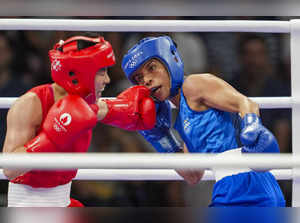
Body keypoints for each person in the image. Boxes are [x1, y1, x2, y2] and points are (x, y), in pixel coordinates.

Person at [121, 35, 286, 206]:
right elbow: (192, 175)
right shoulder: (184, 121)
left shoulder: (193, 85)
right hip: (231, 186)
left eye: (152, 67)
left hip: (247, 185)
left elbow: (246, 103)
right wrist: (161, 138)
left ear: (170, 60)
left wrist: (252, 130)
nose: (146, 80)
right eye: (139, 78)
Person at [2, 35, 156, 207]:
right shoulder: (30, 104)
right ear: (80, 72)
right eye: (101, 72)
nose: (107, 80)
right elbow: (9, 169)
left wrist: (146, 108)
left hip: (64, 202)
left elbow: (124, 112)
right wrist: (50, 139)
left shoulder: (87, 105)